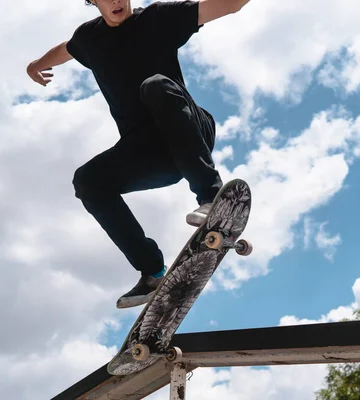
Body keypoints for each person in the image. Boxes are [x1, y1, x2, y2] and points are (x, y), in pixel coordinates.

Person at [26, 0, 249, 308]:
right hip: (151, 155)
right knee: (89, 181)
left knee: (156, 86)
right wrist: (34, 65)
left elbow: (228, 5)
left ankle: (211, 197)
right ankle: (152, 272)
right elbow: (65, 49)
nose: (117, 0)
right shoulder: (89, 38)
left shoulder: (158, 18)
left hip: (189, 130)